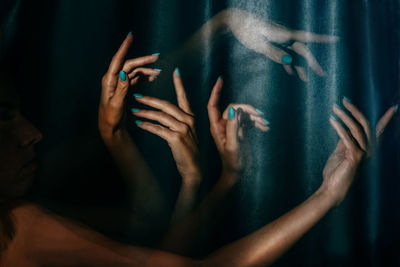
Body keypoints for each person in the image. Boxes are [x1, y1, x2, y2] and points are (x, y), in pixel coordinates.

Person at [0, 32, 397, 266]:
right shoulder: (18, 227)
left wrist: (212, 180)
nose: (32, 132)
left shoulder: (24, 221)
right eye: (3, 116)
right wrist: (326, 196)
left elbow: (152, 238)